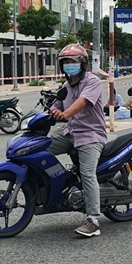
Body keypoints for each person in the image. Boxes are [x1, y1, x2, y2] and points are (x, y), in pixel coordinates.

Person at [49, 44, 107, 238]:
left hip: (91, 134)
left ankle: (93, 220)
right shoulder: (66, 86)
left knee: (87, 173)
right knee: (41, 150)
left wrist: (64, 114)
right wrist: (49, 113)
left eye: (73, 61)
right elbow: (55, 105)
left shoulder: (93, 82)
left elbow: (82, 102)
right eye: (66, 62)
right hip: (70, 131)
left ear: (83, 64)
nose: (69, 65)